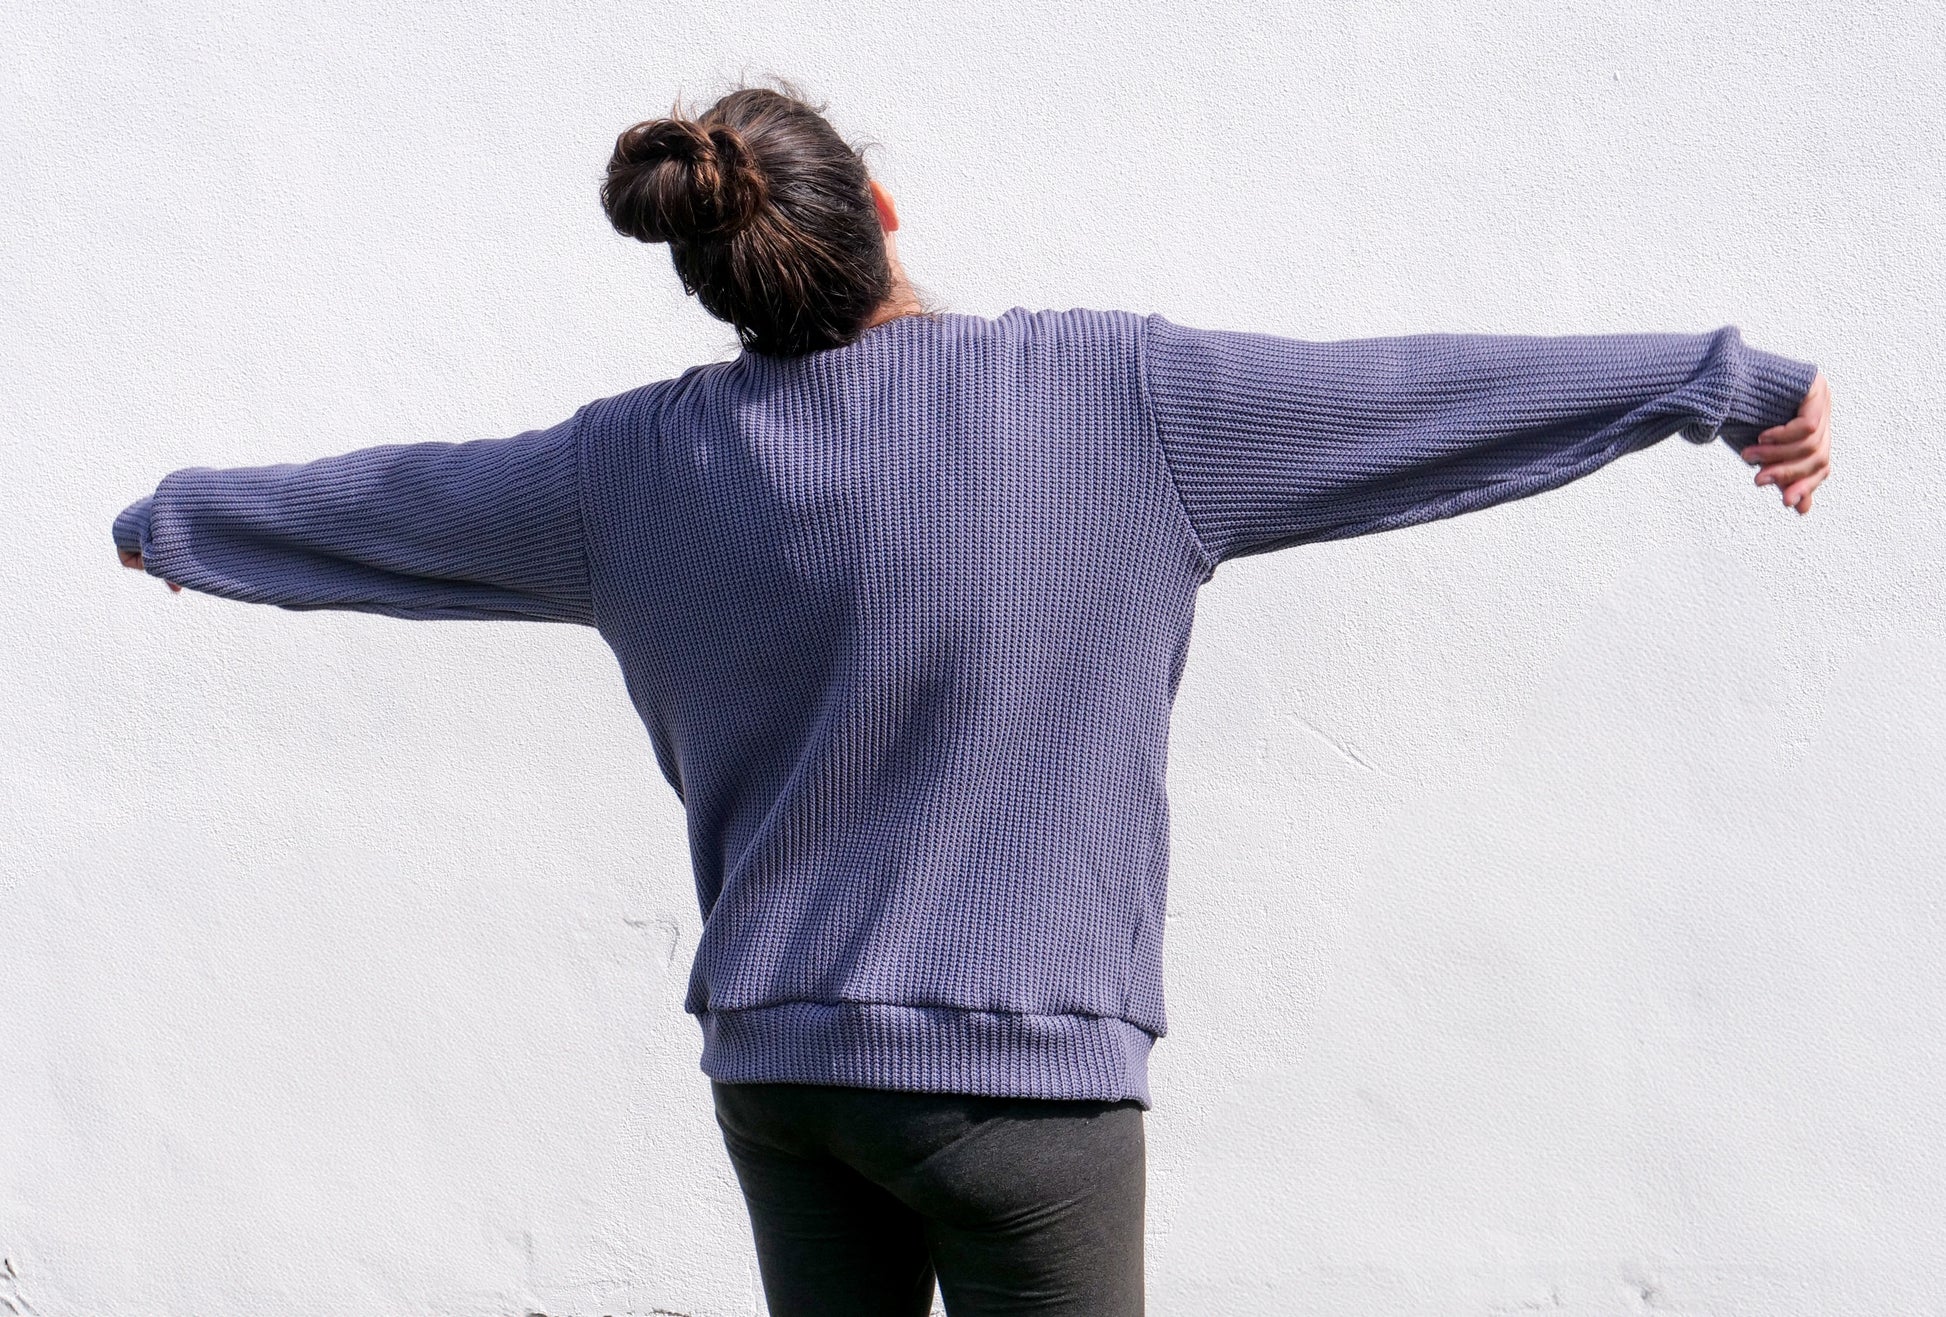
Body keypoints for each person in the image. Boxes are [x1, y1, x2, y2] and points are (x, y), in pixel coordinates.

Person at [112, 80, 1832, 1317]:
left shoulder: (621, 471)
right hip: (1023, 1088)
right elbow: (1414, 394)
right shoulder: (1117, 398)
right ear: (878, 211)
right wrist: (1717, 381)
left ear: (714, 272)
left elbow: (389, 501)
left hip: (782, 1073)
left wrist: (179, 521)